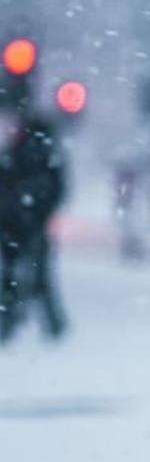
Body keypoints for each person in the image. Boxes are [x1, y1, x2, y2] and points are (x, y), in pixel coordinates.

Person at [0, 73, 66, 343]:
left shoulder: (37, 138)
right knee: (14, 272)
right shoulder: (17, 140)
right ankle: (11, 321)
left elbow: (54, 182)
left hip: (29, 219)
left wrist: (33, 206)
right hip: (12, 220)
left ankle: (48, 324)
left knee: (36, 273)